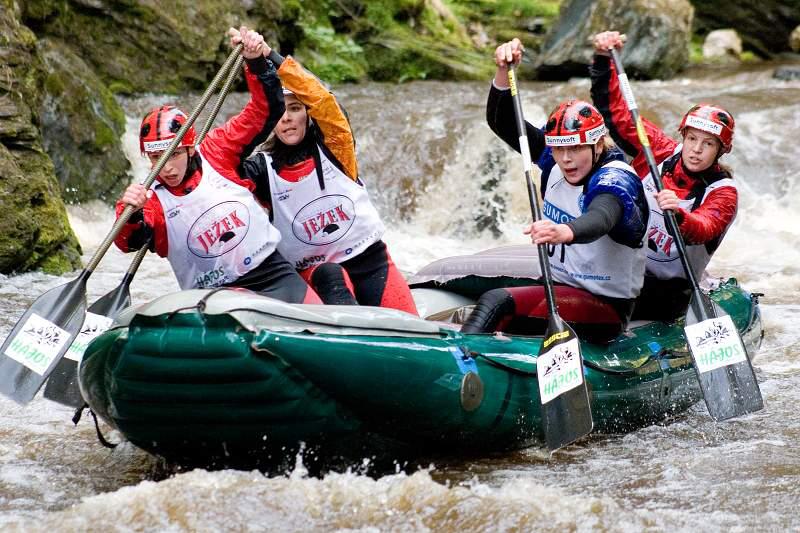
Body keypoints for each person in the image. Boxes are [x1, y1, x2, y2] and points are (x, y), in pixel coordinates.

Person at [461, 38, 650, 342]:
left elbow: (602, 216)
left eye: (576, 148)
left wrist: (565, 231)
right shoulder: (555, 159)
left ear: (598, 144)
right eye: (560, 149)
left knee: (496, 302)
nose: (566, 159)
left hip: (604, 307)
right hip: (558, 286)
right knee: (487, 294)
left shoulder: (616, 179)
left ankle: (461, 367)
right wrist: (502, 72)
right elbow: (503, 123)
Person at [114, 27, 321, 305]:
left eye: (173, 154)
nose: (166, 167)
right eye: (155, 158)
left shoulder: (217, 150)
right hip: (216, 297)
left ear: (190, 147)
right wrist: (131, 214)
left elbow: (265, 110)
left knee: (317, 317)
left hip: (274, 274)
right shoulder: (150, 202)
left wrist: (256, 61)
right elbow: (129, 242)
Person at [237, 38, 419, 314]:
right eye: (280, 111)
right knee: (331, 273)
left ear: (307, 114)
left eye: (295, 108)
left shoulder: (336, 146)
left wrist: (268, 56)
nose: (286, 118)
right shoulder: (260, 170)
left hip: (372, 264)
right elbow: (218, 173)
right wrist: (254, 66)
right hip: (315, 276)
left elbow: (323, 101)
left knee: (412, 331)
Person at [590, 31, 738, 321]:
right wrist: (603, 60)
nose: (696, 150)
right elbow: (617, 114)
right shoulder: (657, 150)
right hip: (627, 269)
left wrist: (680, 216)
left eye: (708, 144)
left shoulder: (724, 192)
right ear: (683, 135)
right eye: (692, 139)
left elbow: (704, 227)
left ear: (721, 150)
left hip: (671, 291)